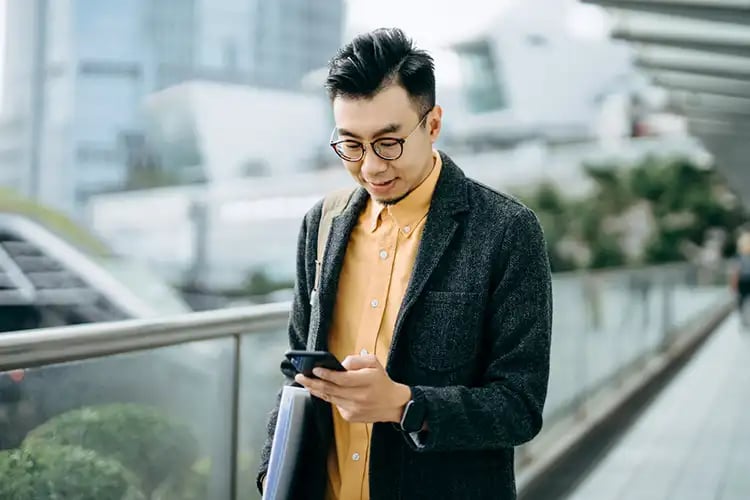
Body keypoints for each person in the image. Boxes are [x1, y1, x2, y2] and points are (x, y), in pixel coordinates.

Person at [257, 28, 552, 500]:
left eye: (388, 143)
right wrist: (273, 477)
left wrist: (405, 404)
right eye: (351, 145)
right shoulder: (323, 223)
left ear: (432, 124)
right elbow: (297, 376)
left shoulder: (505, 230)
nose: (371, 166)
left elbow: (519, 406)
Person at [731, 231, 750, 327]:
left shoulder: (738, 257)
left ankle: (743, 319)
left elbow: (736, 272)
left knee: (742, 301)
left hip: (742, 281)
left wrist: (734, 284)